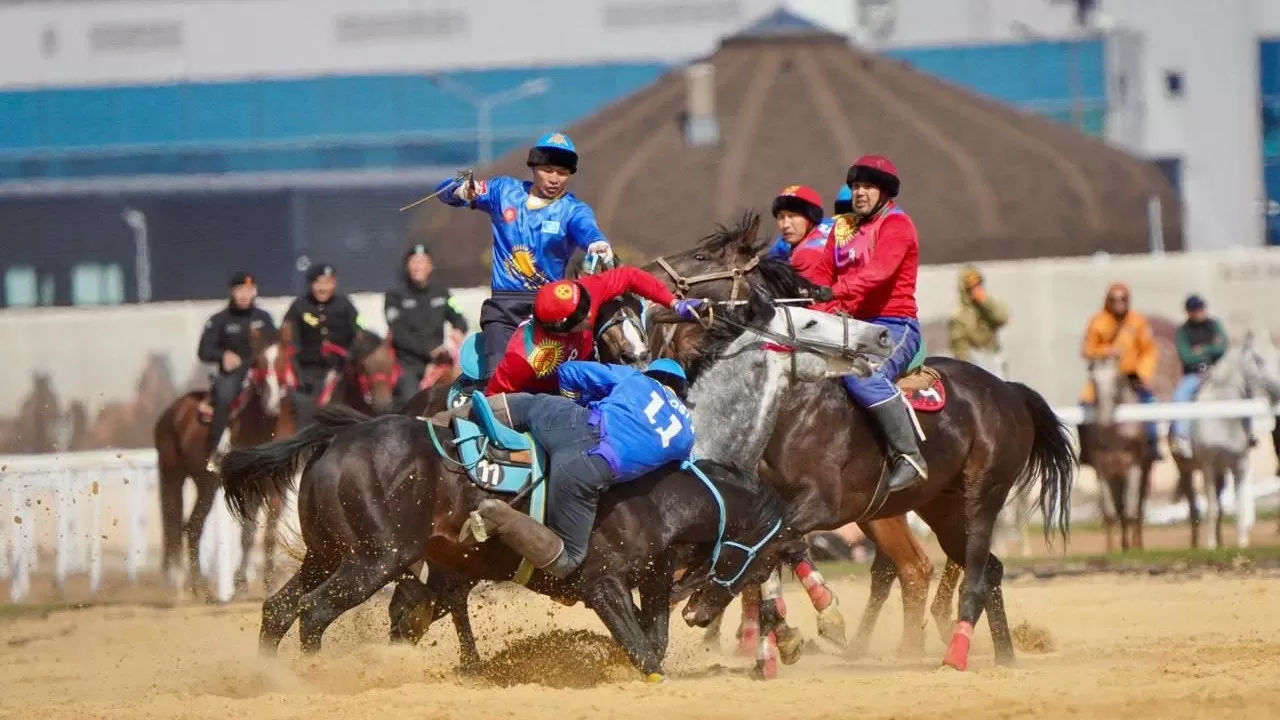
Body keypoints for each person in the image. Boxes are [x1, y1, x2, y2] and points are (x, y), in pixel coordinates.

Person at [464, 358, 695, 579]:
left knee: (528, 404)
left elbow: (569, 371)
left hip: (569, 420)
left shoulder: (635, 378)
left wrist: (576, 402)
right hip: (587, 469)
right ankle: (501, 517)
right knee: (570, 560)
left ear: (652, 375)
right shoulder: (687, 433)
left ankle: (444, 419)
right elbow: (680, 476)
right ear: (682, 392)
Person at [434, 132, 614, 380]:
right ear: (534, 167)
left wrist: (597, 242)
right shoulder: (503, 191)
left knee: (555, 381)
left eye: (562, 173)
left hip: (550, 310)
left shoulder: (573, 209)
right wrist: (461, 190)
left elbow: (586, 228)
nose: (554, 179)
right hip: (504, 308)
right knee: (497, 377)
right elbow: (442, 190)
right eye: (547, 170)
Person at [807, 155, 927, 493]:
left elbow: (878, 274)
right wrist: (804, 298)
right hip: (850, 327)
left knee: (863, 377)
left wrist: (833, 291)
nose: (859, 192)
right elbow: (820, 275)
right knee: (812, 375)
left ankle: (910, 456)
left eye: (867, 186)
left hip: (894, 326)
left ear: (885, 192)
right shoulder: (842, 226)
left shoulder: (898, 225)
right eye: (855, 186)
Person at [485, 266, 702, 395]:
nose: (589, 313)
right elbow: (494, 396)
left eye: (586, 304)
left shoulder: (588, 290)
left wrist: (672, 303)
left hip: (586, 377)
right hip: (546, 396)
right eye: (580, 315)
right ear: (560, 329)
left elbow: (630, 276)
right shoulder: (525, 356)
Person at [196, 271, 277, 471]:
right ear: (232, 292)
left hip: (260, 372)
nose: (244, 295)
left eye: (249, 290)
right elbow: (204, 351)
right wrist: (223, 356)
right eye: (240, 290)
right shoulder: (219, 320)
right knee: (224, 396)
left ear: (255, 292)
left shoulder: (264, 318)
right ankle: (216, 450)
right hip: (233, 374)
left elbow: (274, 345)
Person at [1079, 282, 1161, 459]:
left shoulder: (1138, 321)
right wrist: (1107, 351)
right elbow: (1087, 350)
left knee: (1150, 403)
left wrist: (1141, 373)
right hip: (1104, 376)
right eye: (1114, 299)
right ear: (1108, 300)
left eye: (1123, 299)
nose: (1119, 302)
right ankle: (1085, 452)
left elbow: (1149, 350)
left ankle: (1152, 446)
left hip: (1131, 376)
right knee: (1083, 407)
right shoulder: (1098, 322)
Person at [384, 244, 468, 405]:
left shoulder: (441, 293)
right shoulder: (394, 296)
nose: (418, 267)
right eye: (414, 262)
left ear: (430, 266)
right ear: (407, 265)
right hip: (408, 364)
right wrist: (430, 351)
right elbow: (399, 334)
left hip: (439, 363)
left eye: (423, 262)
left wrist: (459, 328)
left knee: (459, 397)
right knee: (411, 401)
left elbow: (458, 316)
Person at [1170, 294, 1245, 457]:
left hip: (1218, 371)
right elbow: (1186, 357)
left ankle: (1247, 432)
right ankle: (1181, 436)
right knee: (1180, 396)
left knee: (1242, 390)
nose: (1200, 312)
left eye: (1202, 308)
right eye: (1196, 309)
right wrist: (1210, 349)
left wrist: (1203, 349)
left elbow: (1223, 347)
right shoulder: (1183, 331)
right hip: (1195, 374)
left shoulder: (1214, 325)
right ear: (1189, 312)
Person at [282, 263, 365, 405]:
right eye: (318, 283)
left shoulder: (345, 304)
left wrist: (351, 356)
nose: (323, 288)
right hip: (310, 370)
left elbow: (359, 332)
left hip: (342, 368)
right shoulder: (299, 306)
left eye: (328, 283)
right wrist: (299, 371)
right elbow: (290, 340)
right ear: (310, 284)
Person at [947, 264, 1010, 379]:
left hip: (992, 355)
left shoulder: (988, 305)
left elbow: (1002, 318)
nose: (975, 288)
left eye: (977, 284)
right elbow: (959, 344)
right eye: (971, 285)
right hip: (973, 359)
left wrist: (985, 302)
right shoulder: (959, 313)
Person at [765, 185, 833, 280]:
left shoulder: (808, 255)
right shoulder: (829, 226)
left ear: (811, 218)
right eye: (781, 217)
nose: (785, 225)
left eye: (792, 216)